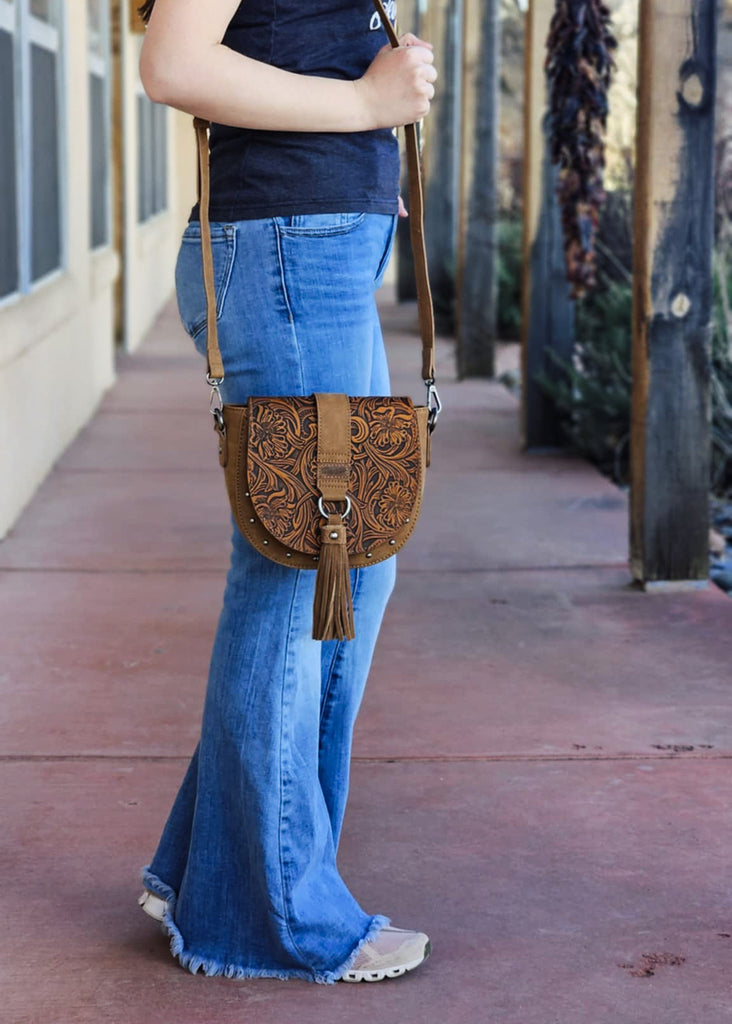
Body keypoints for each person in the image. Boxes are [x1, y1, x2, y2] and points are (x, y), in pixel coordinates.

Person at [136, 0, 437, 984]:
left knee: (338, 568)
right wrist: (365, 102)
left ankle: (207, 873)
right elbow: (172, 62)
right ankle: (274, 914)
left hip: (314, 253)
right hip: (288, 254)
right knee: (308, 572)